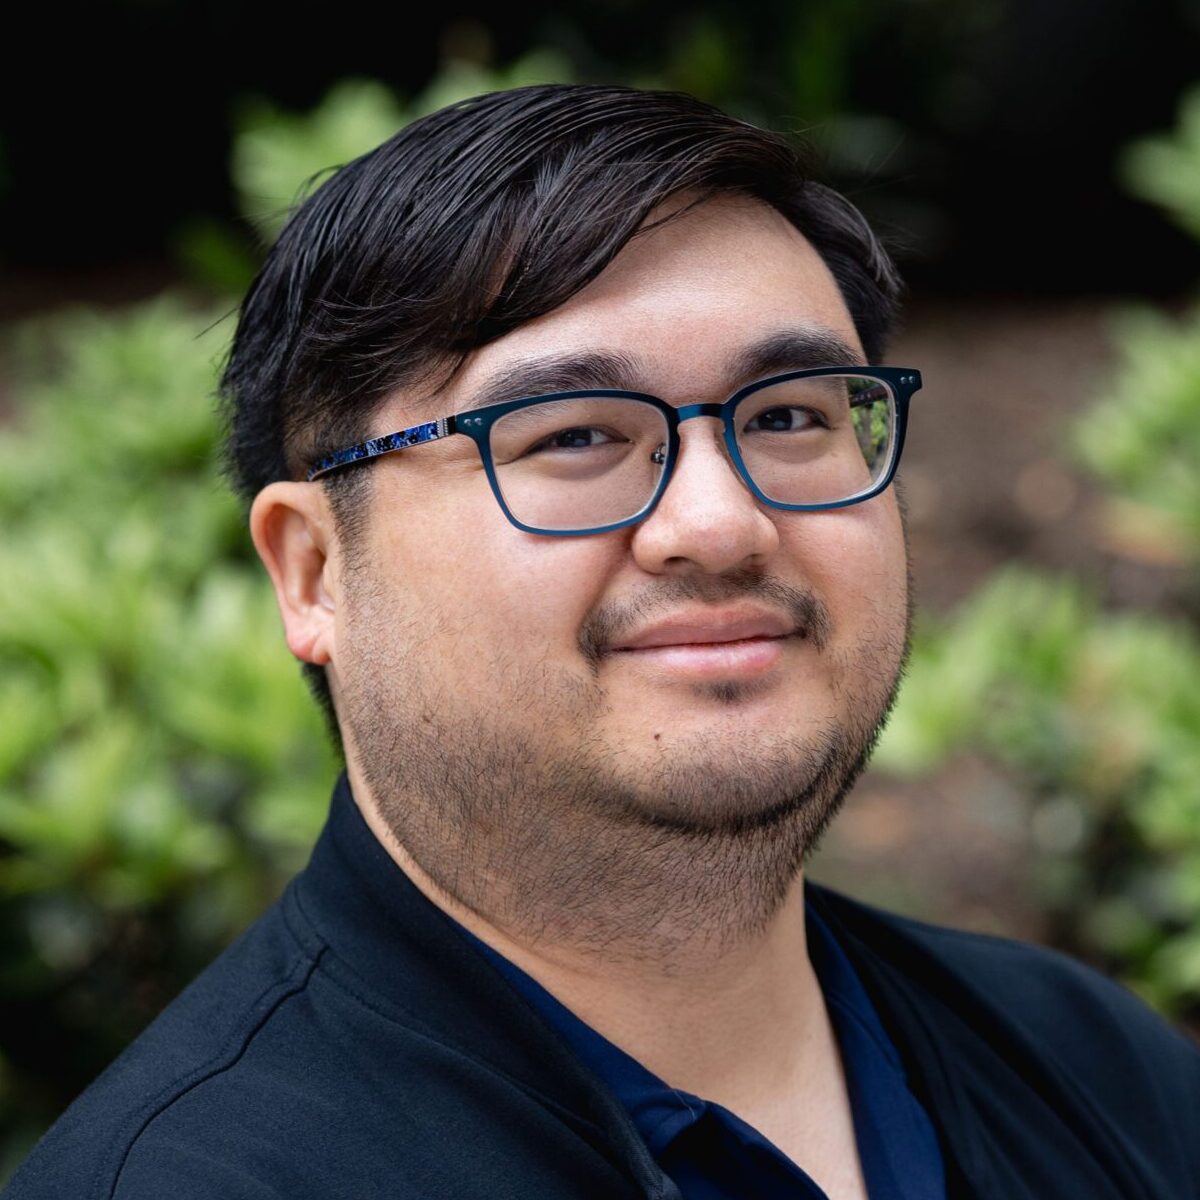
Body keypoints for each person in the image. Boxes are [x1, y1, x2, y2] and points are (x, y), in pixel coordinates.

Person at [5, 83, 1197, 1200]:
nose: (721, 523)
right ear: (316, 573)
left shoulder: (1090, 1065)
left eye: (789, 416)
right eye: (572, 436)